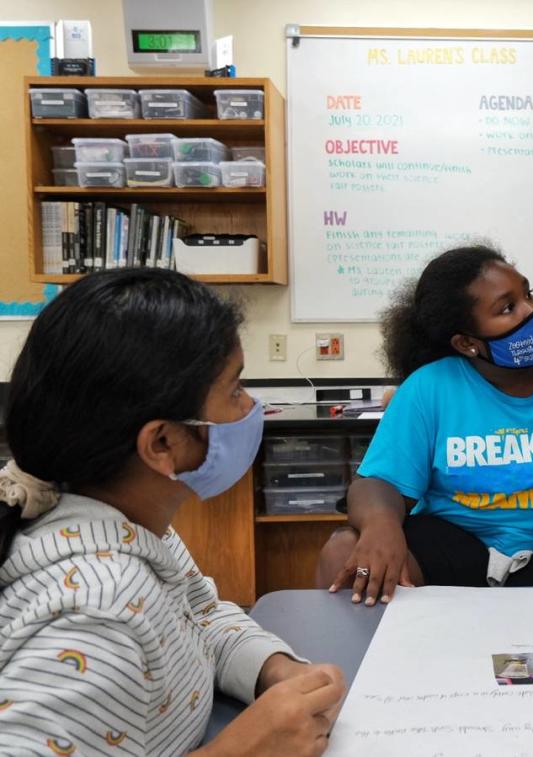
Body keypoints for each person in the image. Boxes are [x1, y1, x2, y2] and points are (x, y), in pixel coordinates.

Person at [0, 269, 344, 756]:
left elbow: (197, 617)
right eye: (235, 390)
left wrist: (274, 668)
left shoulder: (130, 527)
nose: (251, 407)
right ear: (162, 442)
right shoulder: (97, 615)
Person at [316, 246, 533, 603]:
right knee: (344, 551)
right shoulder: (429, 388)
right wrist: (380, 526)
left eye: (527, 293)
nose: (531, 310)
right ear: (467, 343)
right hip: (454, 546)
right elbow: (376, 484)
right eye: (508, 308)